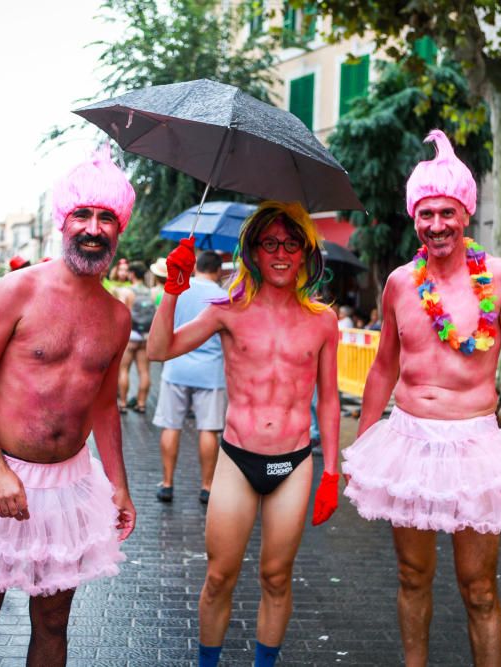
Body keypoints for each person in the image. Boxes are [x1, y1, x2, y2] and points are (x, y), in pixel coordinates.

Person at [341, 130, 501, 667]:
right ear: (414, 219)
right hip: (410, 439)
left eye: (446, 212)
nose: (436, 225)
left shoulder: (500, 278)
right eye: (425, 214)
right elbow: (383, 368)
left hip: (474, 445)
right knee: (412, 576)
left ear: (465, 213)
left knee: (479, 586)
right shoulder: (399, 283)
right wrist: (363, 447)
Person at [0, 147, 137, 667]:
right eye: (83, 215)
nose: (94, 228)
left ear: (120, 229)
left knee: (53, 625)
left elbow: (107, 407)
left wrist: (118, 484)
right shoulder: (15, 292)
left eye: (106, 218)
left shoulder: (116, 316)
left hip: (69, 485)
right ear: (63, 222)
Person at [148, 201, 341, 667]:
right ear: (253, 250)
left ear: (305, 253)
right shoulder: (228, 311)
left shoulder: (323, 320)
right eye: (269, 243)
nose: (280, 253)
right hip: (236, 458)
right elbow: (159, 350)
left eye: (291, 244)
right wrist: (172, 291)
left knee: (276, 576)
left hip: (293, 462)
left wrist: (332, 471)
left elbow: (330, 399)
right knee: (219, 576)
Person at [152, 250, 226, 505]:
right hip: (211, 371)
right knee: (209, 429)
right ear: (218, 271)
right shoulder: (225, 297)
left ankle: (167, 483)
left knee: (171, 425)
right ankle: (207, 486)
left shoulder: (179, 289)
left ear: (196, 268)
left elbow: (163, 324)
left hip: (176, 366)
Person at [117, 261, 153, 413]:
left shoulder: (126, 291)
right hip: (145, 336)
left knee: (123, 370)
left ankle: (123, 403)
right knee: (144, 371)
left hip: (131, 336)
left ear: (131, 274)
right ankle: (141, 403)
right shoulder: (151, 292)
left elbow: (121, 315)